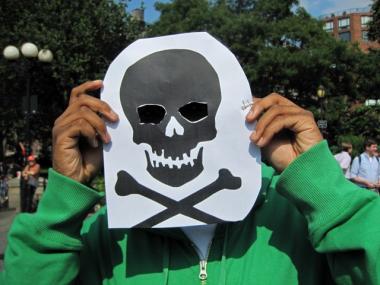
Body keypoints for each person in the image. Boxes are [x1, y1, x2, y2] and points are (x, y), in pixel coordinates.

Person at [1, 80, 379, 284]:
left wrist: (324, 190)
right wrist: (60, 207)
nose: (175, 129)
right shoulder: (108, 236)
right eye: (149, 115)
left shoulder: (298, 224)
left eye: (196, 111)